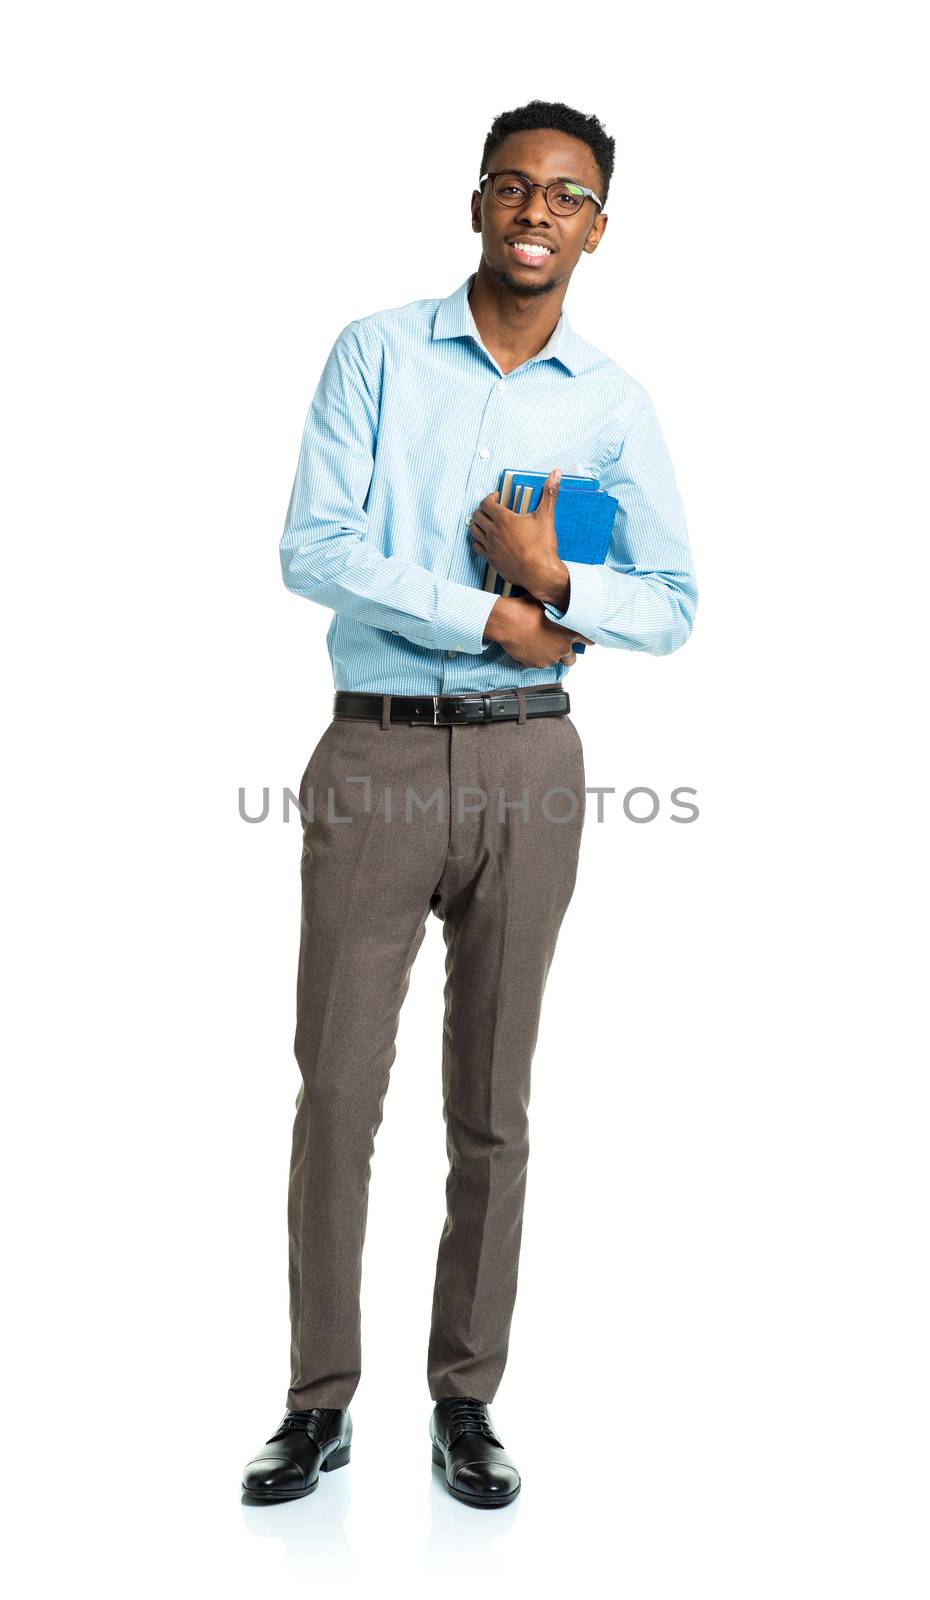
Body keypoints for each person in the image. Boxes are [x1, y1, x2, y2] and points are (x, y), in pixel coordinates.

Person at [241, 98, 698, 1510]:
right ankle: (317, 1404)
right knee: (339, 1092)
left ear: (597, 226)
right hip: (376, 755)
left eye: (565, 195)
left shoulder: (611, 401)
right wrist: (482, 612)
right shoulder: (376, 352)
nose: (534, 212)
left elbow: (673, 609)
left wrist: (555, 587)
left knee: (491, 1104)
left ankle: (466, 1400)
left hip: (530, 766)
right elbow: (312, 550)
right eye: (511, 186)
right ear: (475, 203)